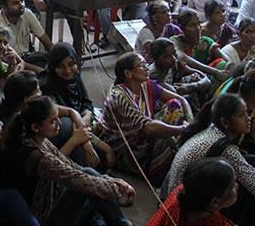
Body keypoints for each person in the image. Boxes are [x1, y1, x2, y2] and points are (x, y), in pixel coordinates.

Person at [165, 93, 255, 226]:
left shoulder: (213, 130)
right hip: (187, 203)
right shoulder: (226, 150)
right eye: (242, 115)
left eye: (247, 114)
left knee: (253, 162)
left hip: (186, 192)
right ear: (225, 122)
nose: (248, 119)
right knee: (254, 197)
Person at [1, 95, 135, 226]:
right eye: (52, 121)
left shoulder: (39, 141)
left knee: (91, 179)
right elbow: (76, 179)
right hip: (45, 217)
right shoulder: (39, 157)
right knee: (91, 188)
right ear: (36, 127)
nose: (59, 123)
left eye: (58, 117)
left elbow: (72, 167)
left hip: (55, 197)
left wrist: (111, 181)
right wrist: (116, 190)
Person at [100, 52, 188, 187]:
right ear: (129, 73)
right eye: (142, 65)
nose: (147, 68)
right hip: (124, 149)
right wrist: (183, 129)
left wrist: (191, 121)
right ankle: (160, 178)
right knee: (161, 137)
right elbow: (148, 128)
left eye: (146, 64)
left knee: (174, 105)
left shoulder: (146, 86)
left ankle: (167, 156)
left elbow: (179, 99)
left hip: (141, 136)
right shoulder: (119, 96)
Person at [145, 157, 238, 226]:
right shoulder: (209, 222)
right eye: (232, 185)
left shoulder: (183, 191)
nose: (237, 186)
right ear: (215, 201)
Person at [0, 0, 53, 73]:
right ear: (4, 7)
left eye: (22, 1)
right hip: (11, 65)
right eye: (15, 3)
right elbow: (7, 59)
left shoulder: (27, 13)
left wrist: (59, 57)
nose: (21, 5)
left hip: (28, 57)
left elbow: (45, 40)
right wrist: (38, 69)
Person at [171, 9, 232, 87]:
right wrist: (214, 71)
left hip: (203, 81)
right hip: (180, 83)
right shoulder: (175, 40)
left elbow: (227, 60)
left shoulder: (205, 41)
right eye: (192, 25)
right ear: (182, 28)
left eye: (198, 23)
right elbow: (182, 57)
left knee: (222, 63)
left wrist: (229, 71)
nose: (198, 28)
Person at [147, 38, 208, 113]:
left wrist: (194, 85)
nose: (173, 58)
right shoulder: (153, 74)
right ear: (155, 59)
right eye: (166, 57)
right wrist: (190, 86)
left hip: (175, 92)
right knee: (184, 99)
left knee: (195, 78)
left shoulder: (174, 62)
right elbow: (174, 92)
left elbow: (205, 80)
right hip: (160, 107)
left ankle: (204, 111)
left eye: (174, 53)